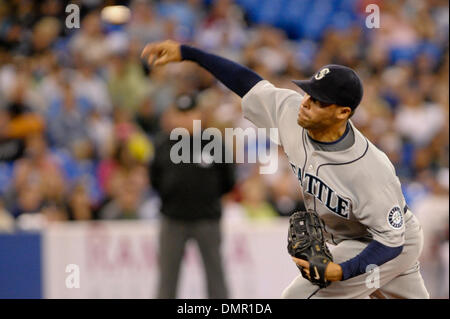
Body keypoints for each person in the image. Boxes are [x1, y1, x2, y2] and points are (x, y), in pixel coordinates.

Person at [141, 40, 430, 299]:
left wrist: (341, 271)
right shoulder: (292, 112)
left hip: (384, 242)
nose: (306, 103)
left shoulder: (369, 168)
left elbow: (391, 241)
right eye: (308, 93)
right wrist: (189, 53)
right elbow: (246, 82)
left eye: (318, 101)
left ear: (342, 112)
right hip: (352, 238)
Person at [150, 92, 235, 298]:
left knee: (215, 276)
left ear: (200, 115)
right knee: (167, 278)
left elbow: (228, 180)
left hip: (207, 219)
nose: (185, 119)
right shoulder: (163, 145)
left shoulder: (214, 143)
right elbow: (155, 179)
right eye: (181, 114)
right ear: (173, 116)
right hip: (173, 219)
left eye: (190, 113)